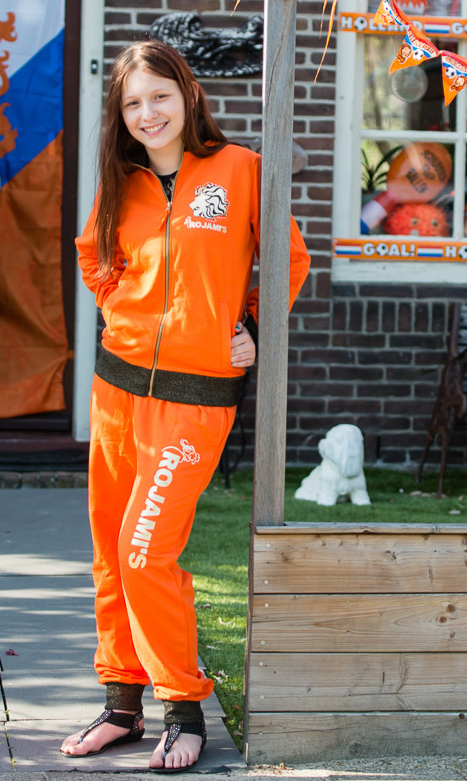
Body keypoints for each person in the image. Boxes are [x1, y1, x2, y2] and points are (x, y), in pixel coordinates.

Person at [61, 40, 309, 772]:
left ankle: (184, 708)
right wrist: (127, 314)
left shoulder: (241, 172)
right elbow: (92, 256)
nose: (147, 114)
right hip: (116, 392)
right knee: (111, 553)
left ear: (188, 94)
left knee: (145, 552)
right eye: (133, 103)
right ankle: (122, 704)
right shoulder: (121, 179)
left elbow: (288, 257)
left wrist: (253, 328)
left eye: (159, 97)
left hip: (195, 400)